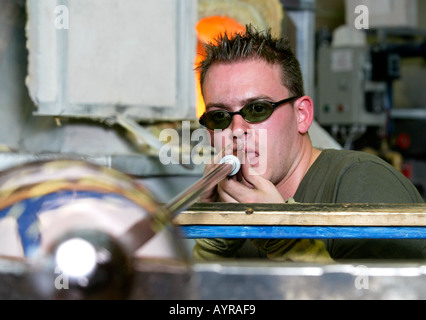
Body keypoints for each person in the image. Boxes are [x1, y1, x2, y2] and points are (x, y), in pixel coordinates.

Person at [192, 24, 425, 262]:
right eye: (219, 116)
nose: (237, 130)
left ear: (301, 115)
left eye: (258, 109)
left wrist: (285, 236)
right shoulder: (232, 205)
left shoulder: (362, 183)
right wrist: (213, 239)